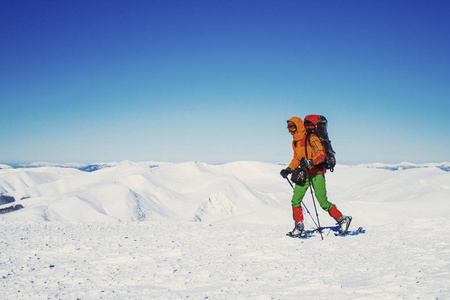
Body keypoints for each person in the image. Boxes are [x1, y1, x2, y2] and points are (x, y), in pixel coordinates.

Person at [280, 116, 351, 236]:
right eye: (288, 129)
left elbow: (321, 155)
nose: (291, 131)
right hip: (304, 173)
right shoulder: (295, 142)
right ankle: (299, 227)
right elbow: (297, 158)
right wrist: (289, 169)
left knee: (323, 202)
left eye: (292, 127)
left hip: (317, 173)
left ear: (298, 126)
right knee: (295, 200)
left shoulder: (312, 138)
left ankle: (343, 219)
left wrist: (310, 162)